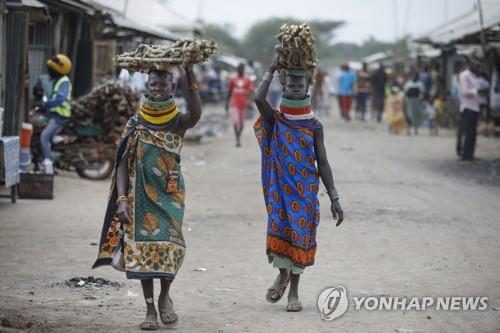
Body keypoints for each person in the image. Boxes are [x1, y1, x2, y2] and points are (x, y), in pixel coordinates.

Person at [93, 65, 202, 330]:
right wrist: (121, 200)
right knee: (143, 251)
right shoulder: (136, 123)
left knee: (170, 248)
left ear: (172, 87)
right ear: (147, 85)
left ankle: (165, 296)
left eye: (163, 84)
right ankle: (150, 308)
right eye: (153, 84)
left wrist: (189, 73)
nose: (157, 88)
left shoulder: (177, 121)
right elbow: (121, 163)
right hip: (139, 195)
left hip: (171, 195)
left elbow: (196, 114)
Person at [254, 55, 344, 312]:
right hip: (280, 189)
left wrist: (334, 198)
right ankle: (282, 275)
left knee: (300, 235)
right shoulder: (276, 119)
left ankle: (293, 291)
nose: (295, 88)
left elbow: (323, 163)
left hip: (304, 192)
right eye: (290, 84)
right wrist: (271, 67)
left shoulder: (314, 126)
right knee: (281, 230)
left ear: (308, 88)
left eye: (299, 84)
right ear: (283, 88)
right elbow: (258, 99)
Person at [40, 54, 73, 173]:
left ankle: (48, 166)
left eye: (52, 69)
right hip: (55, 115)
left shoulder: (63, 81)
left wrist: (46, 104)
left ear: (58, 70)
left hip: (60, 116)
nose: (49, 71)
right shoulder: (58, 80)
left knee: (44, 137)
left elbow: (60, 99)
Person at [458, 58, 482, 161]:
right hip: (468, 108)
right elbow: (464, 91)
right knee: (468, 133)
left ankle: (470, 154)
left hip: (475, 107)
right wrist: (476, 91)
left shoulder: (473, 76)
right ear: (471, 65)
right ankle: (466, 155)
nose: (478, 68)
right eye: (476, 66)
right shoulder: (464, 76)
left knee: (472, 133)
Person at [226, 63, 255, 147]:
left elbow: (251, 90)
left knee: (241, 124)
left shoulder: (247, 79)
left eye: (241, 69)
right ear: (237, 69)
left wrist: (250, 100)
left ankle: (239, 135)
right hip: (234, 103)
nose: (240, 70)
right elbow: (229, 92)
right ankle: (237, 139)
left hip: (244, 104)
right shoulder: (233, 79)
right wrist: (226, 102)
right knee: (235, 121)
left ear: (243, 70)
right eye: (239, 69)